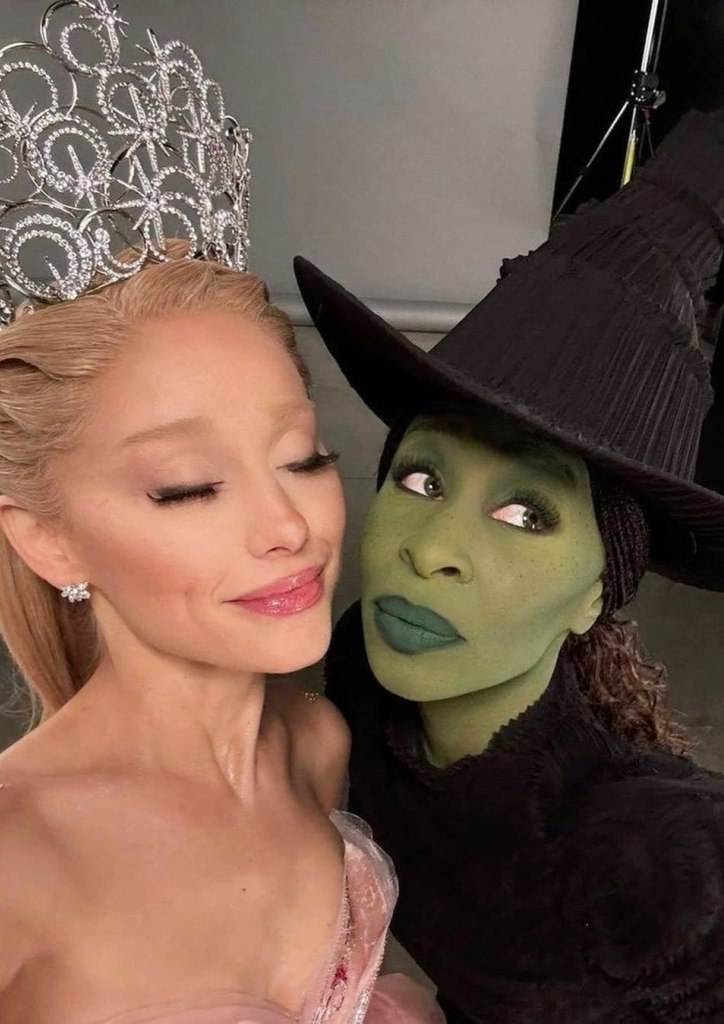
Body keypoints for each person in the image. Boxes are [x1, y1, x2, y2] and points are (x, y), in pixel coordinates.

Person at [0, 4, 444, 1023]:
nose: (287, 525)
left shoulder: (313, 746)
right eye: (189, 486)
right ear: (45, 537)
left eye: (302, 456)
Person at [294, 107, 724, 1021]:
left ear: (595, 595)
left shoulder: (669, 865)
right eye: (421, 477)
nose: (430, 550)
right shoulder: (364, 679)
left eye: (526, 514)